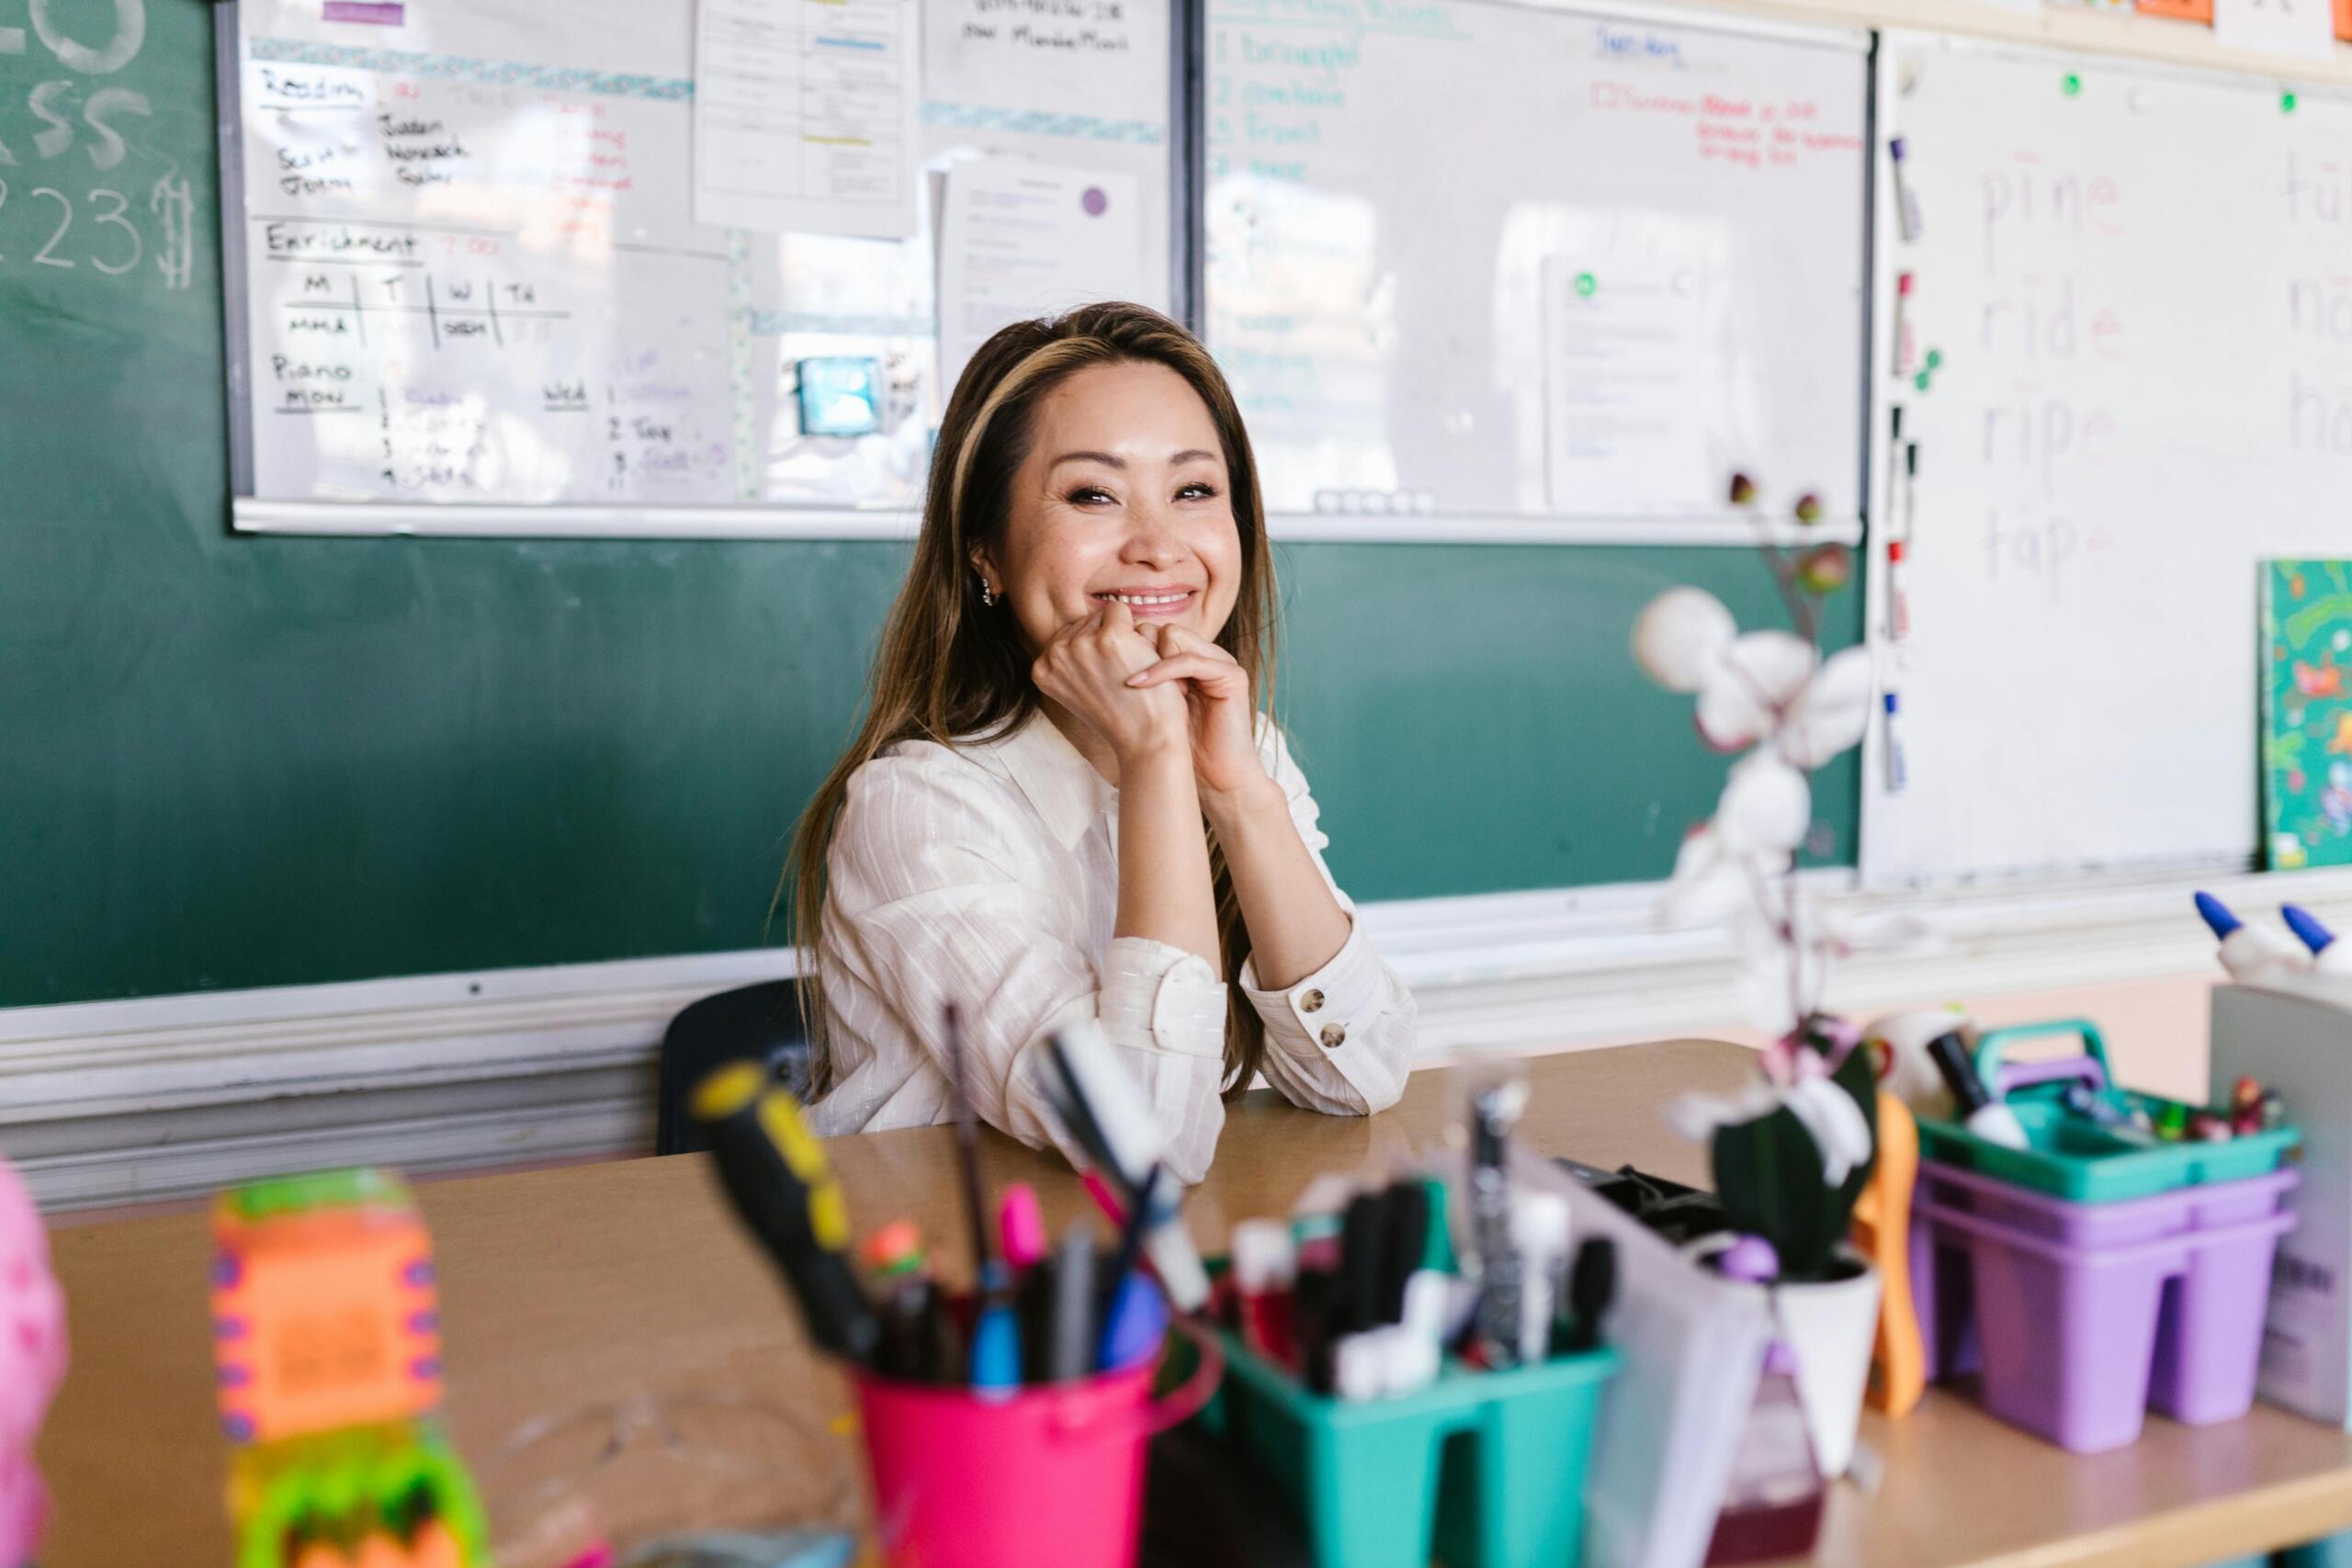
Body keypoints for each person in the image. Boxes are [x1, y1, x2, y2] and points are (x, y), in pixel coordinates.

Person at [791, 303, 1415, 1181]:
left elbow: (1365, 1075)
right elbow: (1144, 1145)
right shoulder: (916, 807)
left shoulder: (1242, 749)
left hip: (1141, 1273)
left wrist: (1237, 795)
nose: (1160, 547)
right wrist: (1159, 759)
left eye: (1194, 491)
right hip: (956, 1289)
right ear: (986, 557)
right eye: (1094, 493)